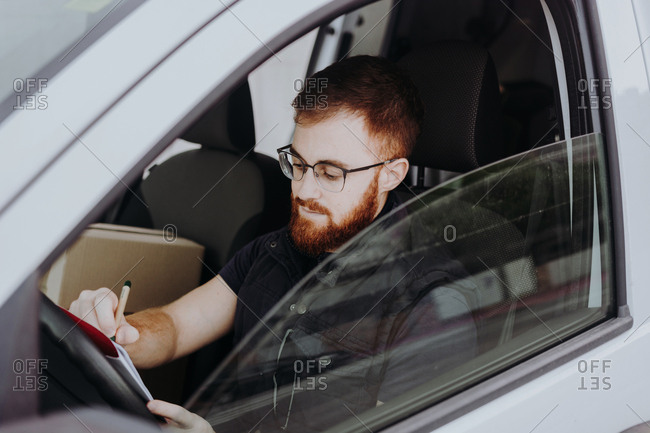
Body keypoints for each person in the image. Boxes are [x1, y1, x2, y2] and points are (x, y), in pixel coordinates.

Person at [70, 55, 476, 432]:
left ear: (390, 173)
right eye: (297, 164)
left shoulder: (429, 306)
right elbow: (176, 327)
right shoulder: (272, 250)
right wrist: (116, 332)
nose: (303, 190)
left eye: (330, 173)